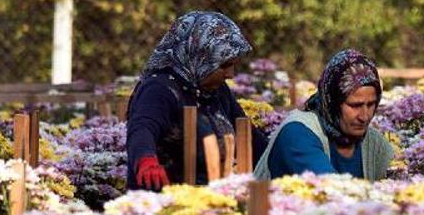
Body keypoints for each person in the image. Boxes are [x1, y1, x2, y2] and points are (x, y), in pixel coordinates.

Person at [127, 11, 266, 190]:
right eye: (223, 65)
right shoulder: (160, 88)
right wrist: (146, 159)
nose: (230, 74)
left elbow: (250, 138)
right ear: (199, 55)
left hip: (214, 196)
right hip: (168, 200)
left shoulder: (216, 90)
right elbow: (143, 127)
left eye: (233, 65)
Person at [254, 49, 394, 181]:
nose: (364, 116)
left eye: (371, 105)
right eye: (355, 105)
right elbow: (331, 191)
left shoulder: (376, 144)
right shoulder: (297, 134)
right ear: (332, 102)